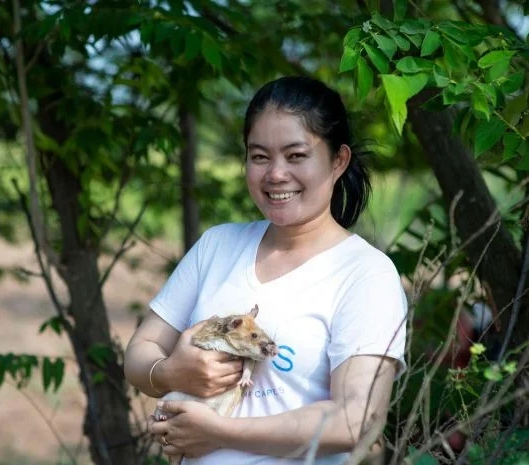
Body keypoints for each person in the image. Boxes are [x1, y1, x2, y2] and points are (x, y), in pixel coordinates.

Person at [123, 75, 408, 464]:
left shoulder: (366, 274)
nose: (275, 174)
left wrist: (218, 432)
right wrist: (171, 373)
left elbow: (357, 419)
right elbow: (139, 352)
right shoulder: (218, 246)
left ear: (338, 161)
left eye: (296, 156)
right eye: (259, 156)